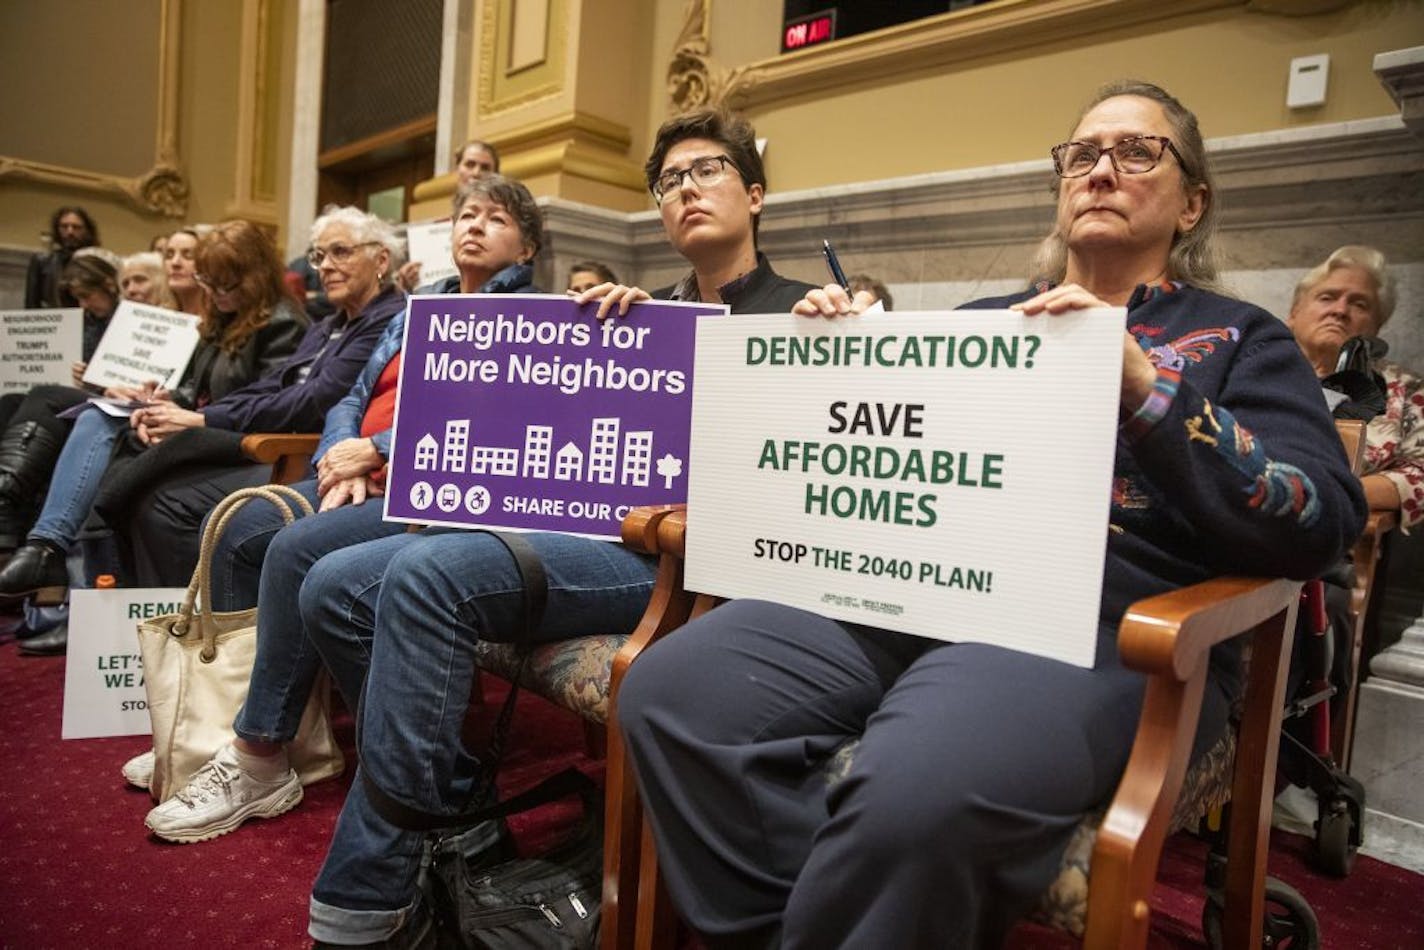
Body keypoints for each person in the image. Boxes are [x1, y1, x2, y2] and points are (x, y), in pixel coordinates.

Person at [615, 81, 1368, 948]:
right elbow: (865, 472)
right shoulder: (982, 323)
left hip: (1103, 622)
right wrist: (831, 362)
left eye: (1136, 152)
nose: (1099, 172)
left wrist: (1143, 384)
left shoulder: (1243, 338)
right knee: (673, 694)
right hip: (915, 591)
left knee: (917, 784)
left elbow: (1319, 519)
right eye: (1080, 155)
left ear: (1192, 202)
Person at [137, 177, 542, 831]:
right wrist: (338, 455)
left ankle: (259, 754)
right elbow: (349, 395)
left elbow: (491, 414)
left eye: (495, 219)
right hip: (359, 471)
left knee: (296, 549)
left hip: (434, 486)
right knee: (240, 523)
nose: (474, 225)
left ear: (526, 246)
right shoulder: (420, 307)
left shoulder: (532, 317)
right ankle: (237, 726)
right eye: (466, 214)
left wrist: (380, 450)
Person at [0, 219, 313, 608]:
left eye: (225, 284)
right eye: (208, 283)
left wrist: (191, 417)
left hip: (240, 440)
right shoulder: (225, 315)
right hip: (203, 428)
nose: (215, 294)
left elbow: (270, 403)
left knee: (120, 468)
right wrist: (166, 398)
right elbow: (200, 388)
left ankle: (77, 588)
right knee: (99, 420)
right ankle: (59, 567)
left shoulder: (284, 323)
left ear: (254, 276)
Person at [1287, 245, 1422, 530]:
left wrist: (1337, 495)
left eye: (1359, 304)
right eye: (1327, 297)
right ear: (1294, 312)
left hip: (1332, 541)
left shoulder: (1406, 389)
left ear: (1377, 326)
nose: (1340, 310)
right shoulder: (1250, 370)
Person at [0, 250, 123, 554]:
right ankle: (8, 510)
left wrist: (96, 377)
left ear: (108, 284)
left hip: (116, 399)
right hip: (87, 392)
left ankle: (6, 498)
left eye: (87, 295)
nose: (84, 304)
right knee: (9, 401)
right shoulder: (85, 321)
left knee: (45, 395)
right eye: (77, 298)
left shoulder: (129, 320)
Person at [24, 206, 99, 308]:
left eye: (76, 227)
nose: (70, 232)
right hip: (52, 320)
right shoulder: (41, 261)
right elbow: (31, 304)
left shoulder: (96, 261)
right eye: (64, 227)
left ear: (87, 231)